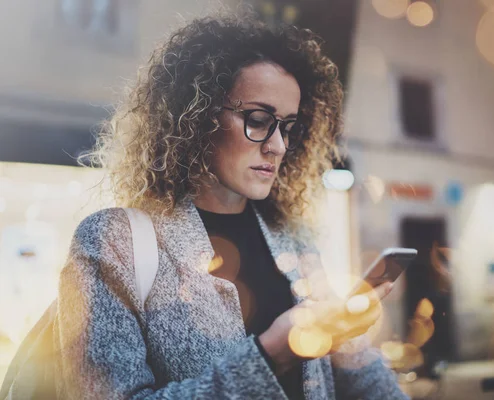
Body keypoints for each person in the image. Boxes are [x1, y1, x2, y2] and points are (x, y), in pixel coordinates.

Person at [56, 10, 409, 400]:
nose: (278, 146)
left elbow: (353, 374)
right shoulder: (113, 243)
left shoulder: (293, 241)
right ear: (195, 114)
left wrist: (347, 334)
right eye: (258, 120)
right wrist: (272, 355)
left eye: (289, 127)